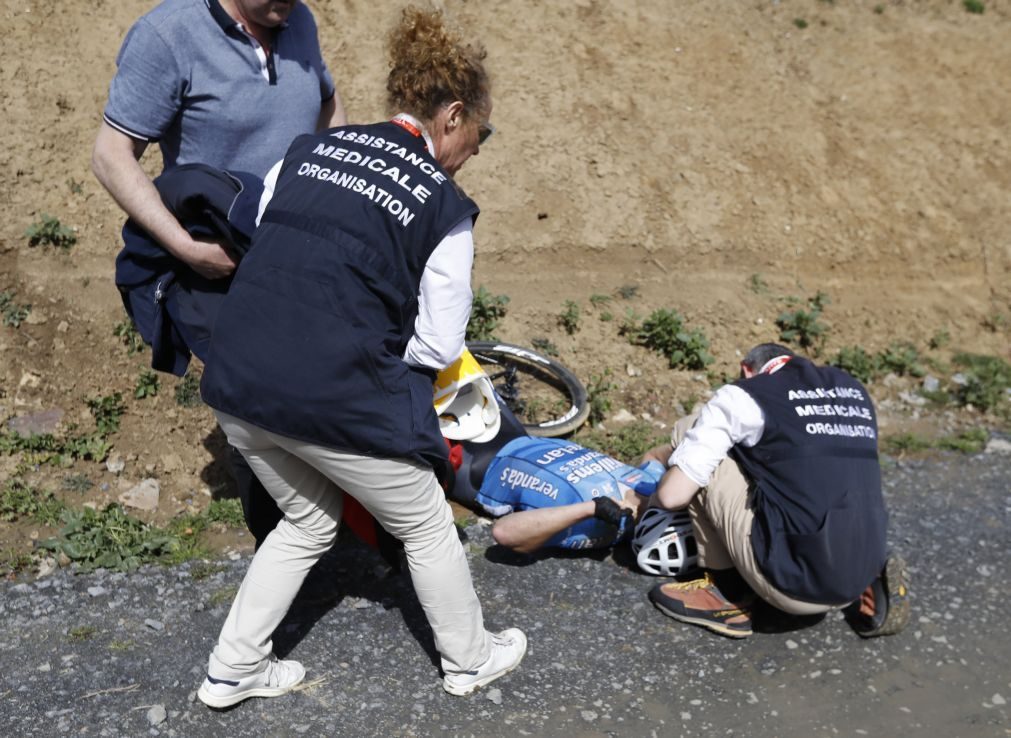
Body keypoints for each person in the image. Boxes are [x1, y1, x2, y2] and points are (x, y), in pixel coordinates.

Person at [194, 6, 525, 709]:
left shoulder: (311, 149)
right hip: (328, 392)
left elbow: (264, 233)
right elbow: (436, 346)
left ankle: (233, 669)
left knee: (310, 520)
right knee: (426, 522)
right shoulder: (443, 203)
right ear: (452, 116)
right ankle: (468, 660)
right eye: (480, 135)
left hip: (235, 381)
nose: (475, 150)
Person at [91, 0, 347, 545]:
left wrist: (333, 190)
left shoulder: (297, 19)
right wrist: (184, 246)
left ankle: (312, 540)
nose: (288, 5)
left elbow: (326, 102)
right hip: (218, 265)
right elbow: (112, 153)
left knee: (306, 391)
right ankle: (283, 548)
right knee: (263, 402)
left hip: (295, 258)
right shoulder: (168, 36)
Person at [644, 343, 909, 639]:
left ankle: (727, 594)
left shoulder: (747, 394)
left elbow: (672, 497)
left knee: (690, 429)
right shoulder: (852, 390)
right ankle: (866, 581)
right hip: (860, 567)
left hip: (792, 587)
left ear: (747, 369)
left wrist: (647, 499)